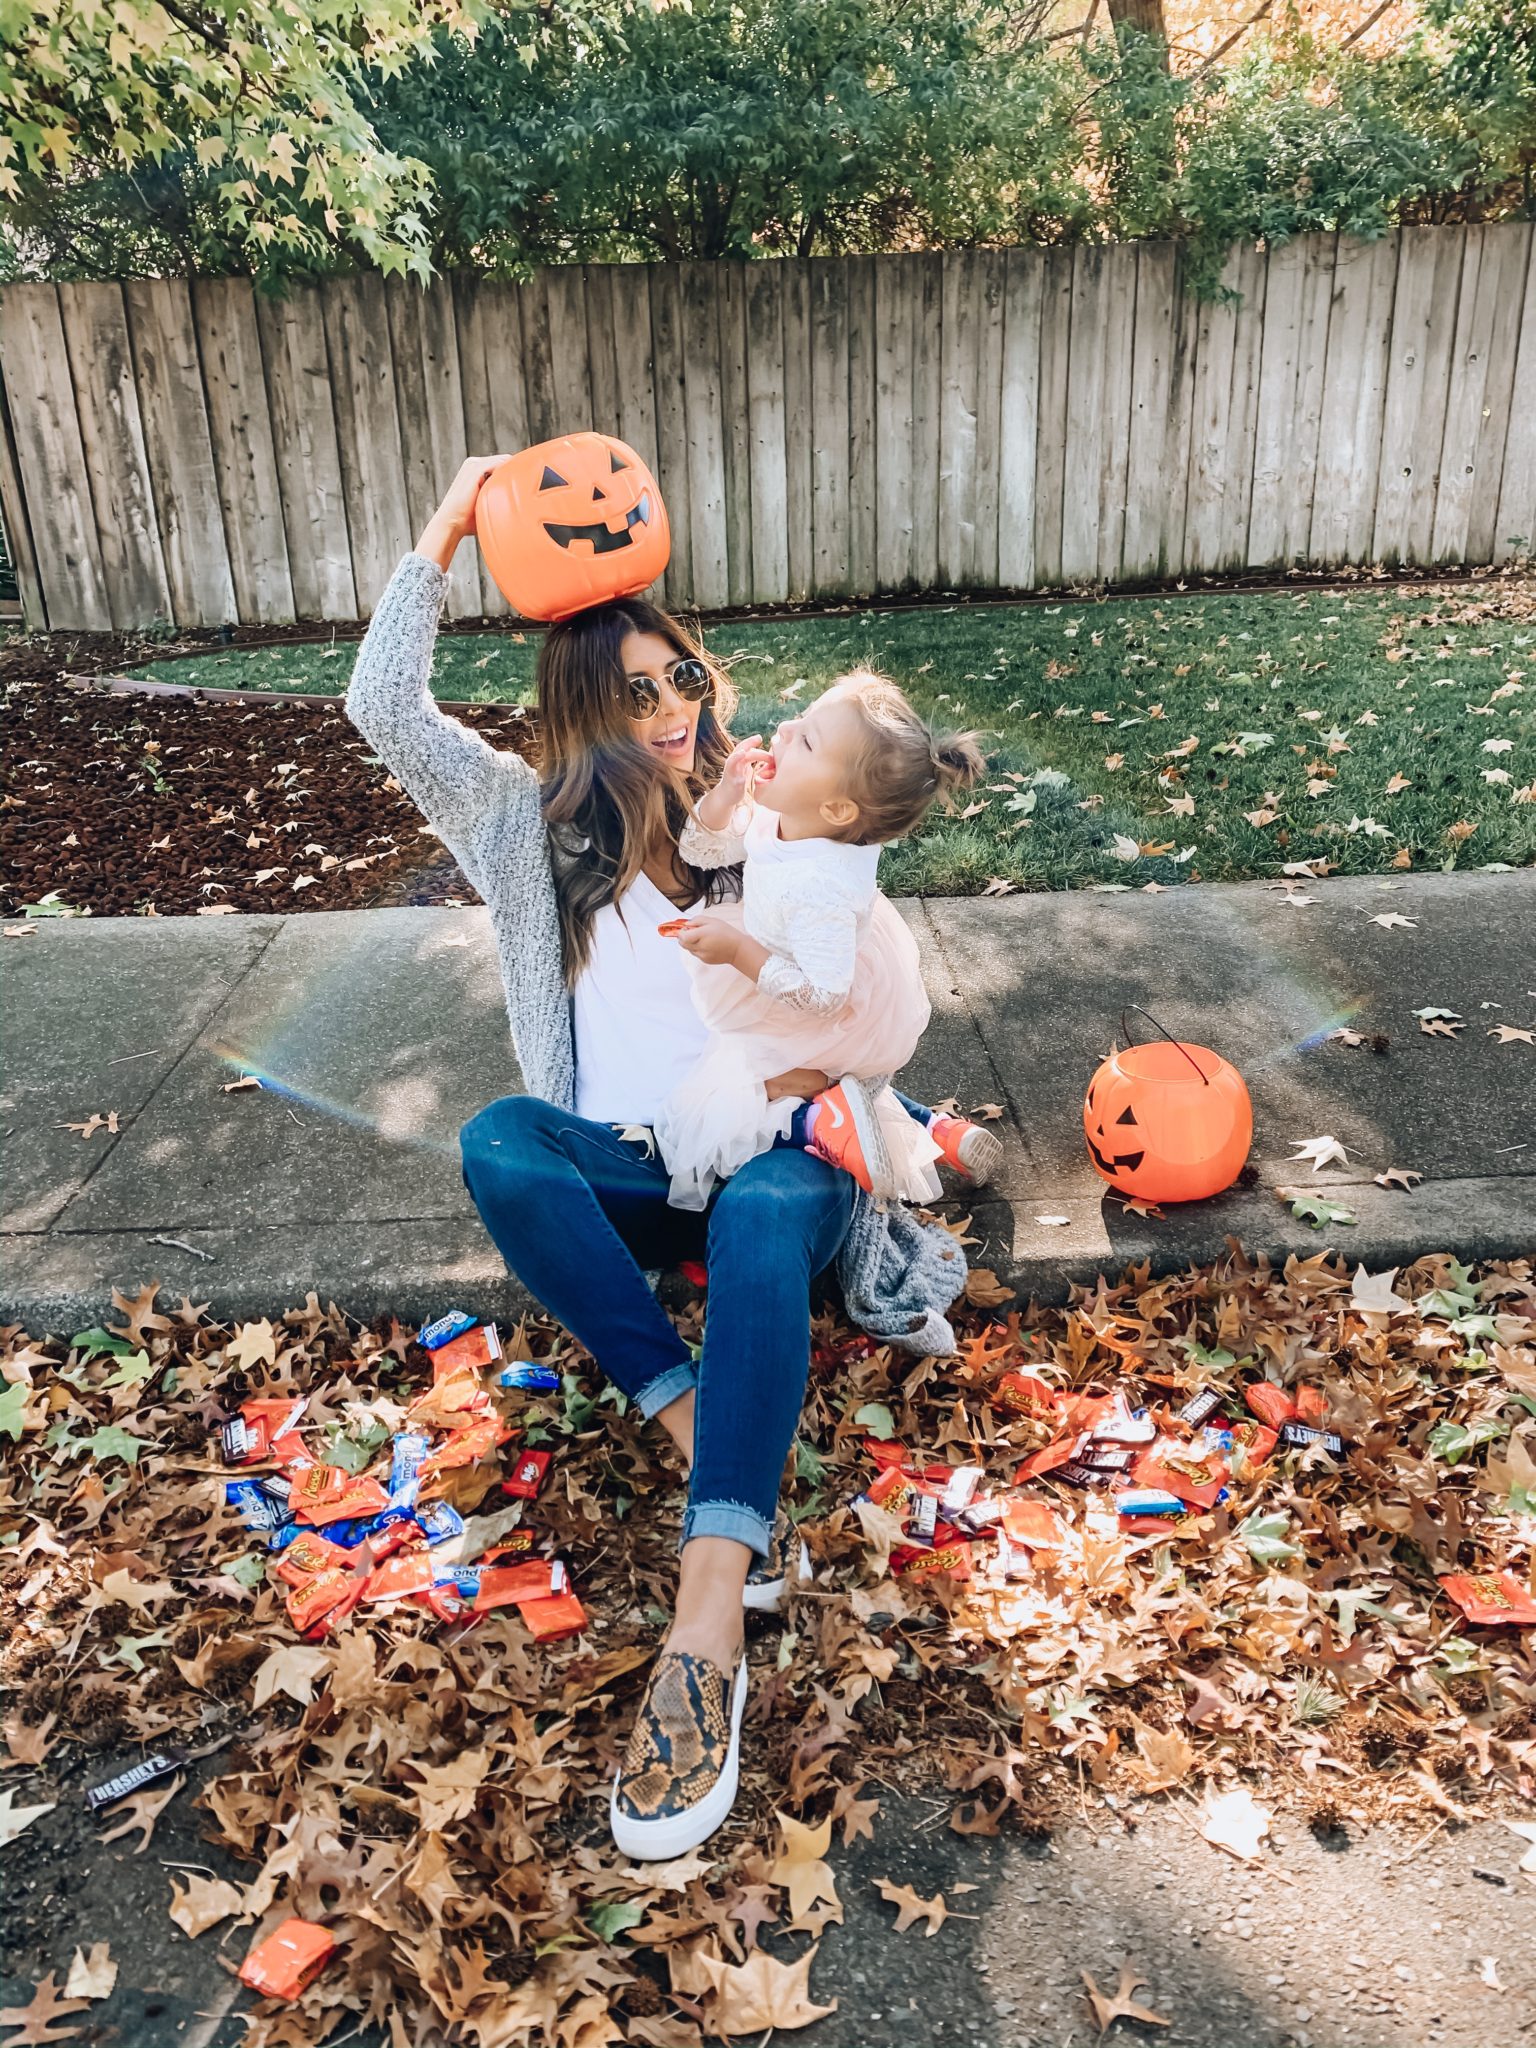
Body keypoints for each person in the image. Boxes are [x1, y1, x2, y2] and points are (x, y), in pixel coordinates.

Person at [346, 456, 971, 1861]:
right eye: (640, 693)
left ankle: (708, 1627)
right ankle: (692, 1420)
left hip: (773, 1168)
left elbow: (859, 1002)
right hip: (631, 1169)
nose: (678, 711)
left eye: (683, 677)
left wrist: (893, 1113)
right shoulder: (516, 825)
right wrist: (447, 530)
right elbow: (382, 708)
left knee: (763, 1215)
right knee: (501, 1142)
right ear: (583, 716)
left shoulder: (776, 821)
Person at [654, 675, 990, 1212]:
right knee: (840, 1081)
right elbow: (701, 848)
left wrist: (739, 952)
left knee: (745, 1093)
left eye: (806, 740)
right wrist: (726, 793)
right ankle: (938, 1129)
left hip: (817, 993)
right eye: (800, 721)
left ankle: (820, 1124)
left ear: (837, 809)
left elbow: (825, 998)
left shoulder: (819, 890)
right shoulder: (795, 815)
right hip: (793, 954)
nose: (785, 728)